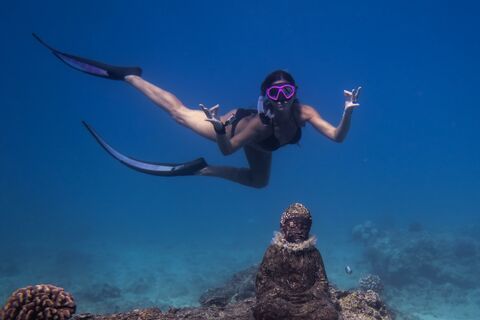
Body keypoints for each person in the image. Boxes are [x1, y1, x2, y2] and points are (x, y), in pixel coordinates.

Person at [34, 34, 361, 188]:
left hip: (262, 146)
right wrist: (220, 128)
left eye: (287, 92)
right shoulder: (257, 126)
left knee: (260, 183)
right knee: (179, 114)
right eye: (274, 93)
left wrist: (346, 112)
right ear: (266, 96)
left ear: (295, 93)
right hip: (234, 128)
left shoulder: (304, 113)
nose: (281, 99)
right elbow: (230, 150)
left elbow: (336, 137)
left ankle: (200, 170)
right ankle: (129, 76)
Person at [254, 203, 340, 320]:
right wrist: (279, 292)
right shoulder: (274, 251)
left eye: (303, 226)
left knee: (328, 314)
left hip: (309, 301)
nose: (299, 230)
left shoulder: (313, 253)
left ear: (309, 228)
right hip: (280, 300)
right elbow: (262, 278)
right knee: (266, 309)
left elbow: (322, 280)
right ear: (283, 226)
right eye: (293, 225)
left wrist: (311, 293)